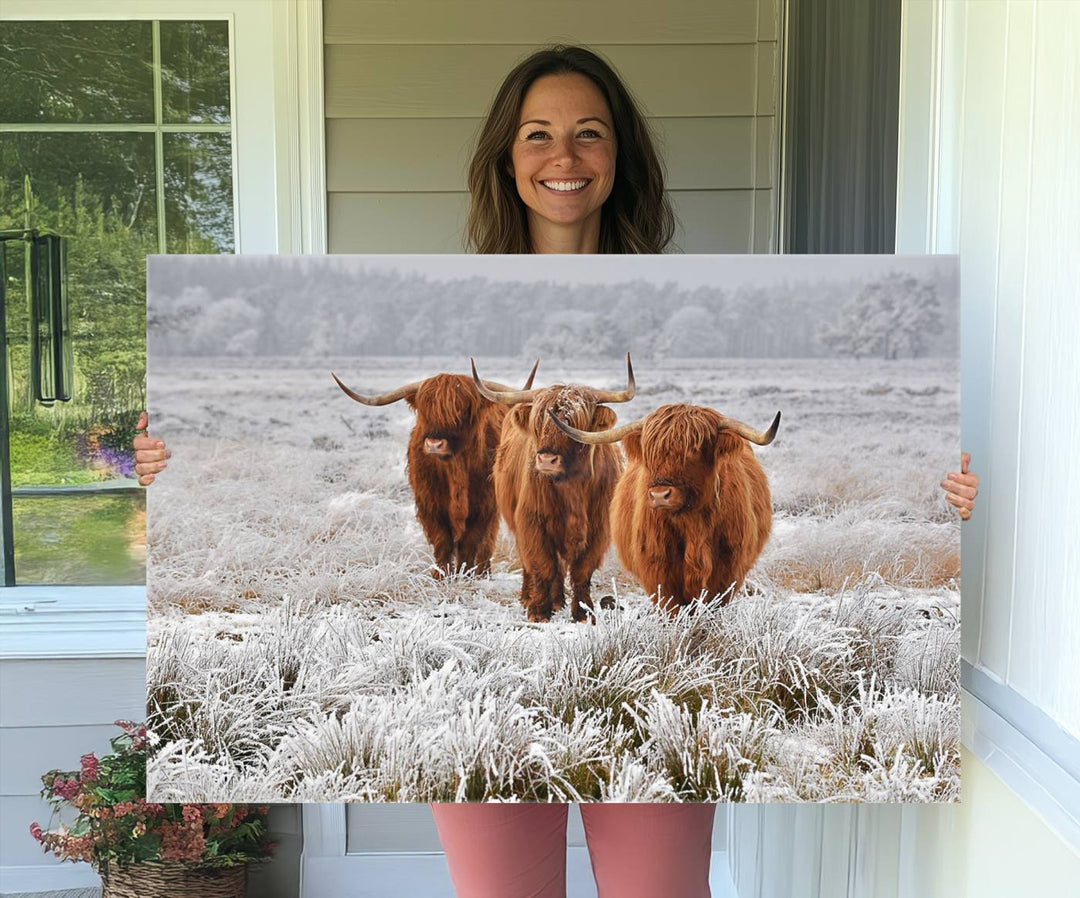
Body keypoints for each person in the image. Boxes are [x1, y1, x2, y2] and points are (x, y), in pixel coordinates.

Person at [135, 45, 979, 898]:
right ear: (507, 157)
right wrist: (167, 457)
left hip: (644, 620)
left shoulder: (697, 295)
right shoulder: (444, 299)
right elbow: (430, 430)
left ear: (621, 158)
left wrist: (948, 496)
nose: (564, 157)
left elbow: (721, 428)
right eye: (537, 135)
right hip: (501, 644)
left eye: (590, 134)